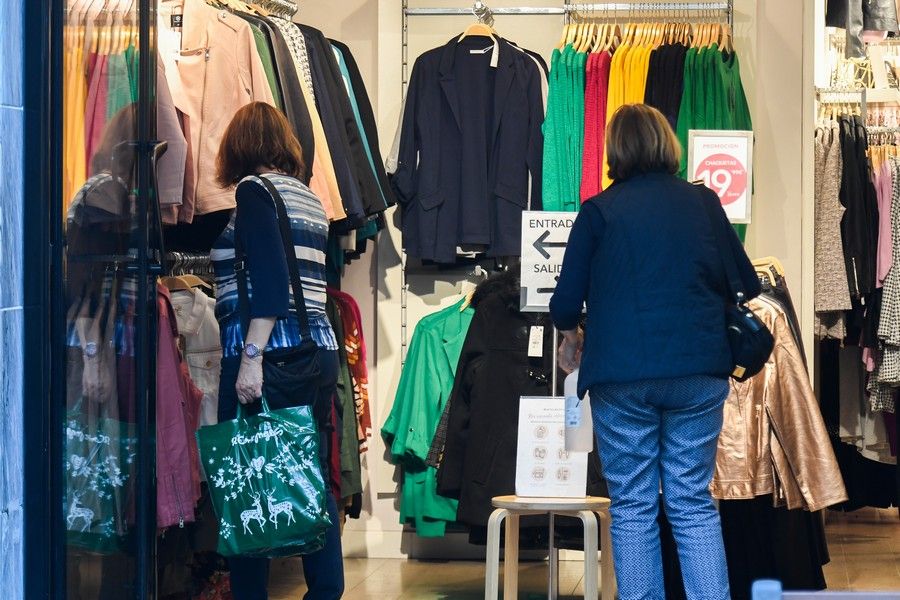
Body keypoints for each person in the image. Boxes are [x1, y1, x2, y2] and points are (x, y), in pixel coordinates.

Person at [550, 104, 761, 600]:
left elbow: (564, 304)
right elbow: (745, 283)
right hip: (698, 371)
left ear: (615, 150)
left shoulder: (599, 211)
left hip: (621, 377)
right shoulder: (705, 203)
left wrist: (571, 336)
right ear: (668, 143)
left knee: (632, 506)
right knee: (691, 502)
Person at [212, 102, 344, 600]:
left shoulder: (253, 191)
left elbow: (269, 286)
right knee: (306, 472)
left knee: (246, 477)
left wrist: (250, 359)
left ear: (238, 147)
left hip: (271, 354)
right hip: (317, 350)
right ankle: (326, 589)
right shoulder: (307, 196)